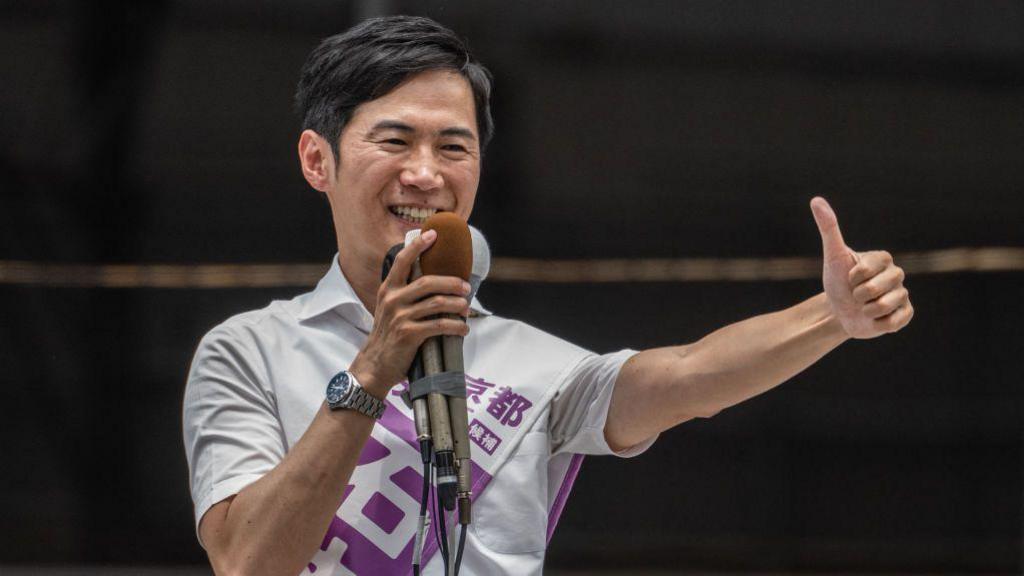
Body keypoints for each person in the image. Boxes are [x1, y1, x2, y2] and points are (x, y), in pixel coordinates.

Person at [182, 15, 913, 576]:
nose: (427, 174)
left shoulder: (532, 364)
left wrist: (833, 318)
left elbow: (689, 376)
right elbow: (247, 561)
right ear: (319, 160)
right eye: (396, 142)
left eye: (454, 147)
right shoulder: (249, 349)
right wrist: (374, 371)